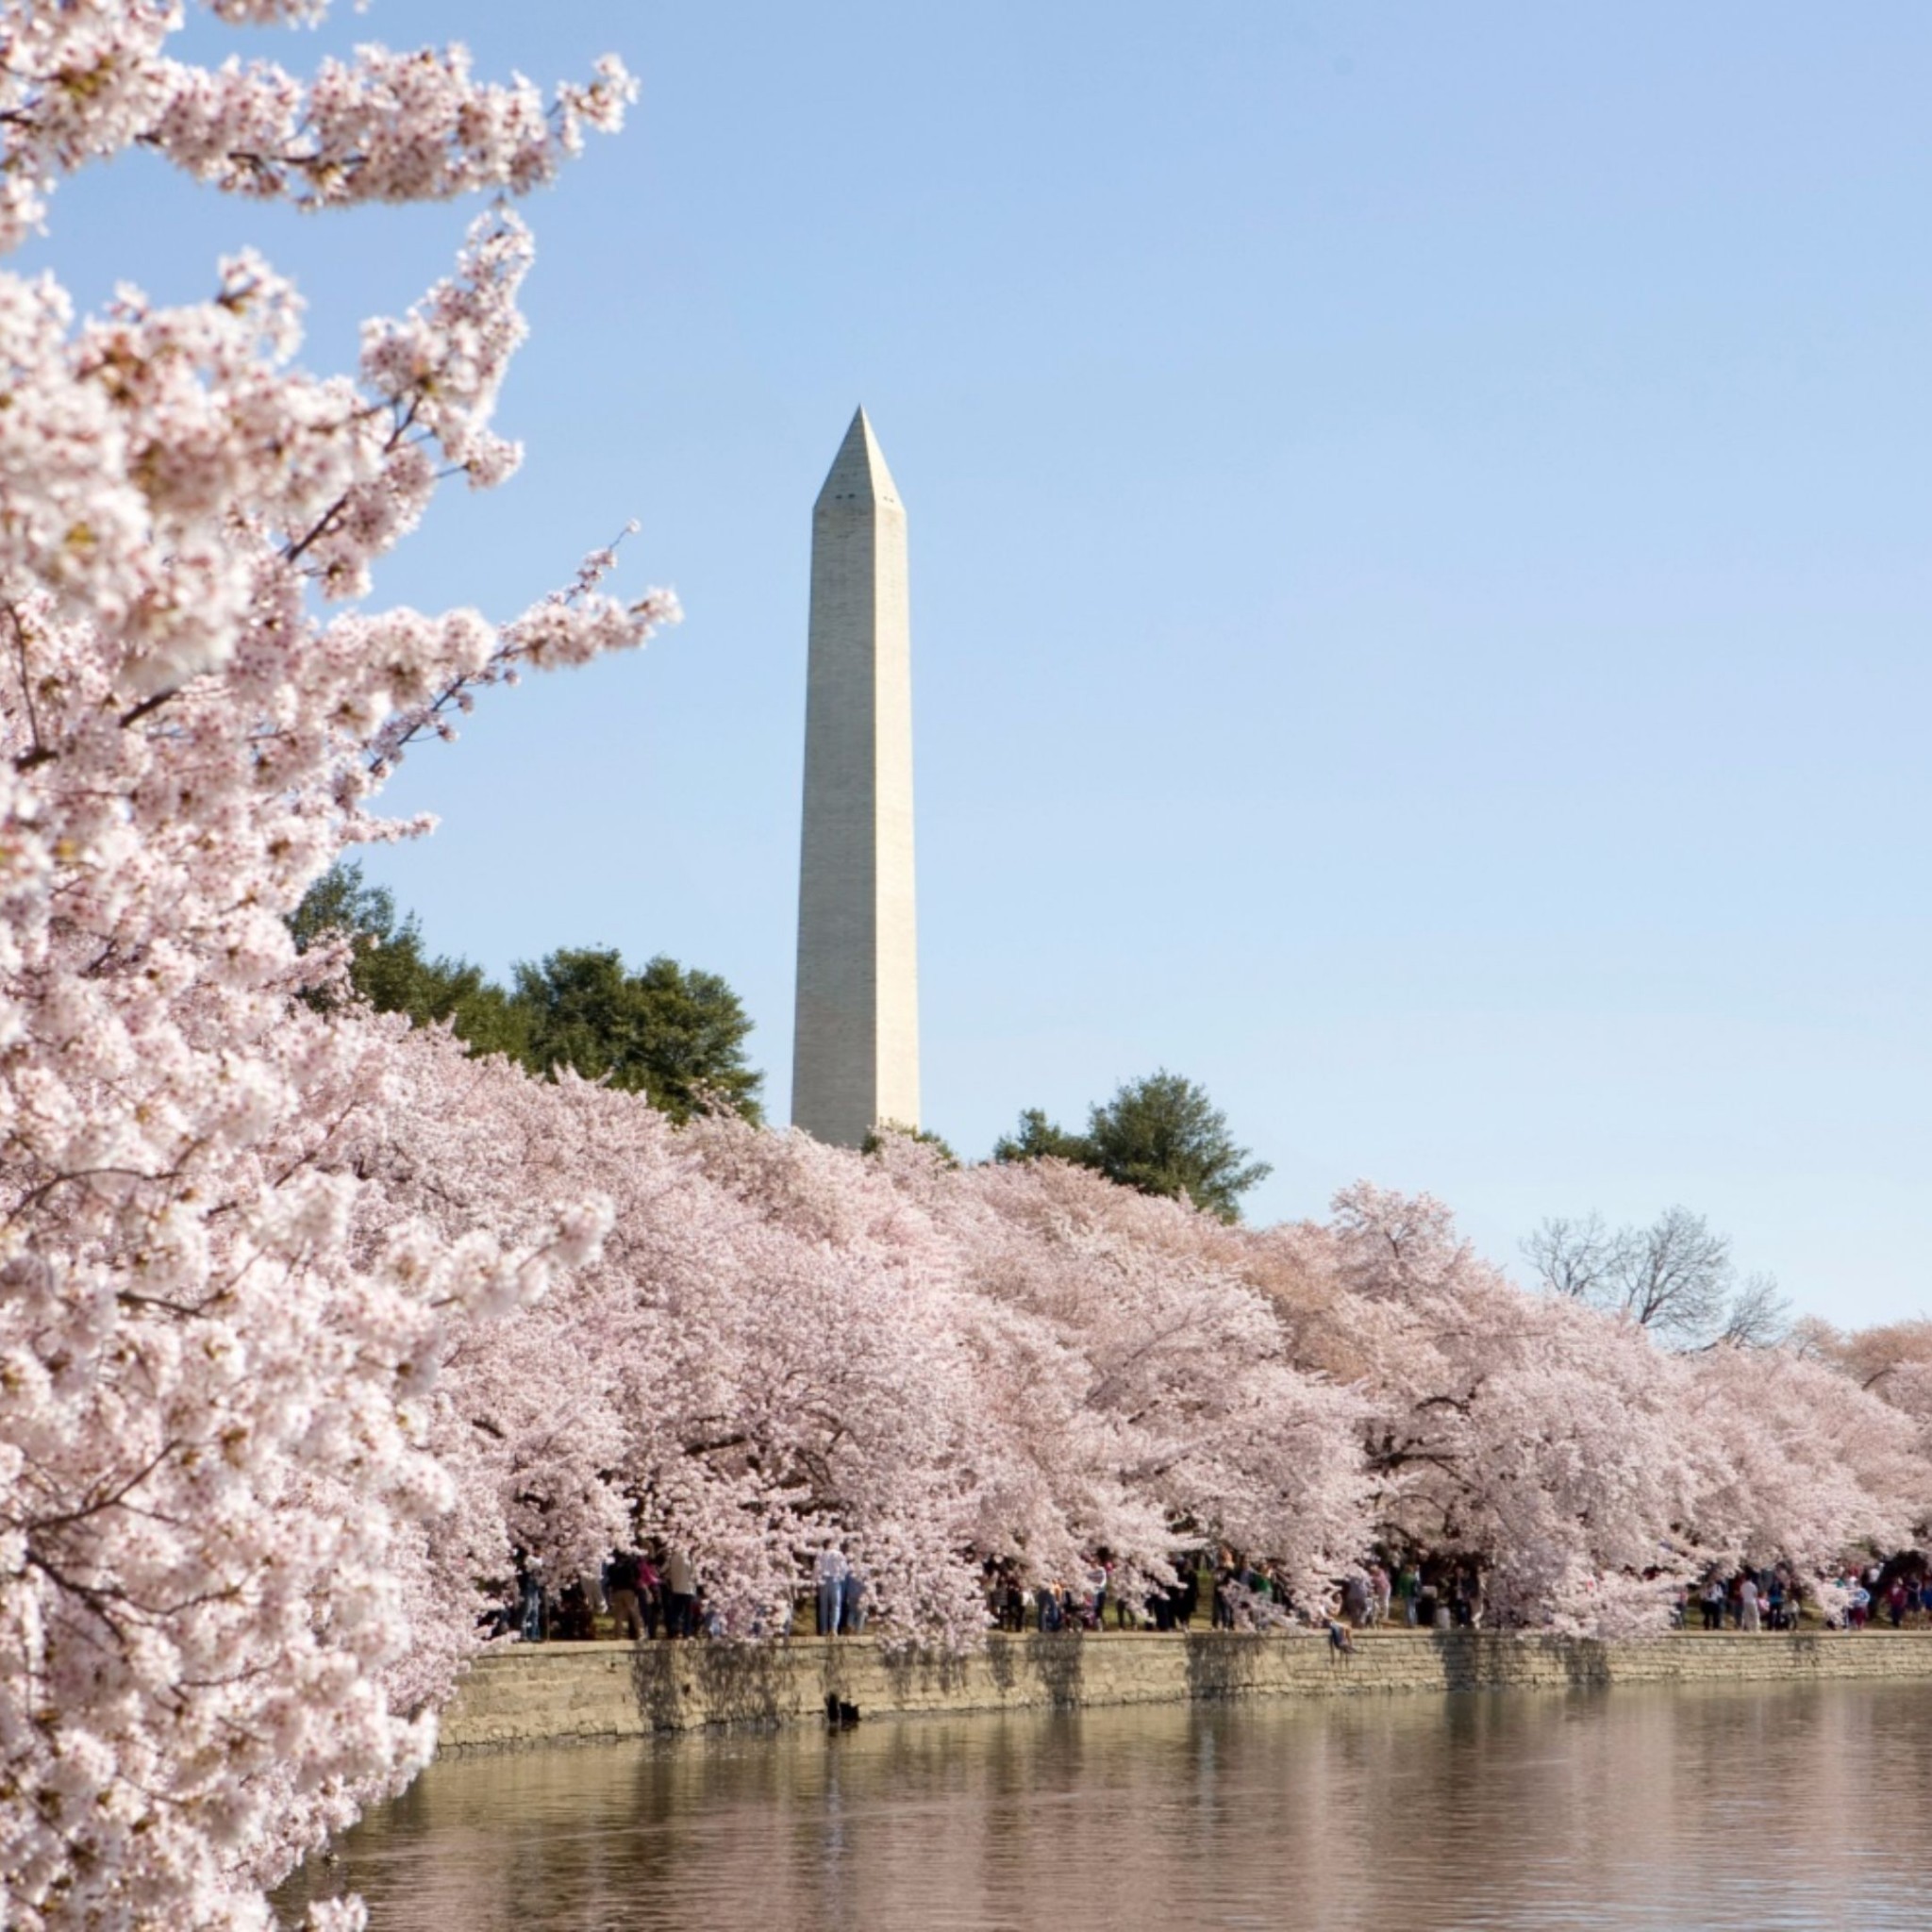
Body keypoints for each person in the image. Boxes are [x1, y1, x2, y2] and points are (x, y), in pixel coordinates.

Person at [606, 1548, 644, 1641]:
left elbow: (609, 1577)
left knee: (618, 1615)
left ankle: (617, 1635)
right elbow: (638, 1575)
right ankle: (640, 1633)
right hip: (629, 1590)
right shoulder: (630, 1565)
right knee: (635, 1613)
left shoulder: (612, 1566)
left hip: (617, 1591)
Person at [815, 1542, 848, 1637]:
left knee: (823, 1606)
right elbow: (845, 1569)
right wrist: (841, 1577)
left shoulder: (821, 1555)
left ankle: (824, 1630)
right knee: (836, 1606)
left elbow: (816, 1569)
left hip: (823, 1581)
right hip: (835, 1580)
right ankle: (833, 1628)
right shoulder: (839, 1554)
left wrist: (815, 1581)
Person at [664, 1545, 696, 1639]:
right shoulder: (690, 1557)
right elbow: (693, 1573)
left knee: (676, 1612)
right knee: (687, 1613)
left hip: (676, 1589)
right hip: (688, 1589)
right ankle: (687, 1633)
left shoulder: (672, 1557)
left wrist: (671, 1578)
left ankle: (675, 1631)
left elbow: (663, 1571)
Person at [841, 1552, 867, 1635]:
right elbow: (867, 1582)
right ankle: (858, 1631)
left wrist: (846, 1593)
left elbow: (846, 1581)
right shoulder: (866, 1569)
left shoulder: (850, 1569)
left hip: (851, 1593)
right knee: (861, 1613)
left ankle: (849, 1626)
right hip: (861, 1593)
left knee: (852, 1611)